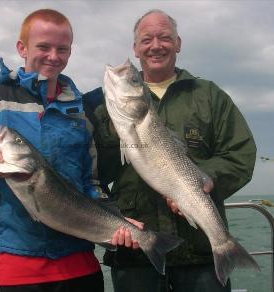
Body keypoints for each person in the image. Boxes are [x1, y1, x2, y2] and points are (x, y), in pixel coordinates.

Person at [0, 9, 140, 292]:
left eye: (61, 49)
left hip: (80, 263)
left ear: (69, 52)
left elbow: (93, 182)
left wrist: (115, 219)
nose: (53, 55)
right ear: (22, 47)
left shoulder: (83, 111)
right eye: (43, 46)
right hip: (17, 265)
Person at [85, 9, 257, 292]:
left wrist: (208, 179)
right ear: (136, 48)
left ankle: (224, 247)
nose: (156, 45)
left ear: (178, 44)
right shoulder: (106, 111)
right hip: (136, 250)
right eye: (146, 39)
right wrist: (113, 219)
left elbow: (241, 155)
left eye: (165, 38)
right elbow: (95, 173)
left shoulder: (209, 96)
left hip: (200, 252)